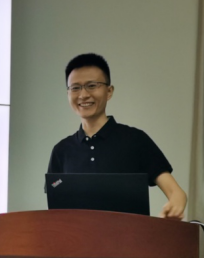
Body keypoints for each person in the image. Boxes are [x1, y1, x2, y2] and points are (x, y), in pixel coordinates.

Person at [47, 53, 187, 220]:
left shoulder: (135, 140)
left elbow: (176, 193)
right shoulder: (61, 151)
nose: (83, 95)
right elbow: (56, 211)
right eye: (75, 88)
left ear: (109, 91)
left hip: (130, 236)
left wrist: (174, 206)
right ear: (68, 94)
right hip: (76, 237)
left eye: (92, 85)